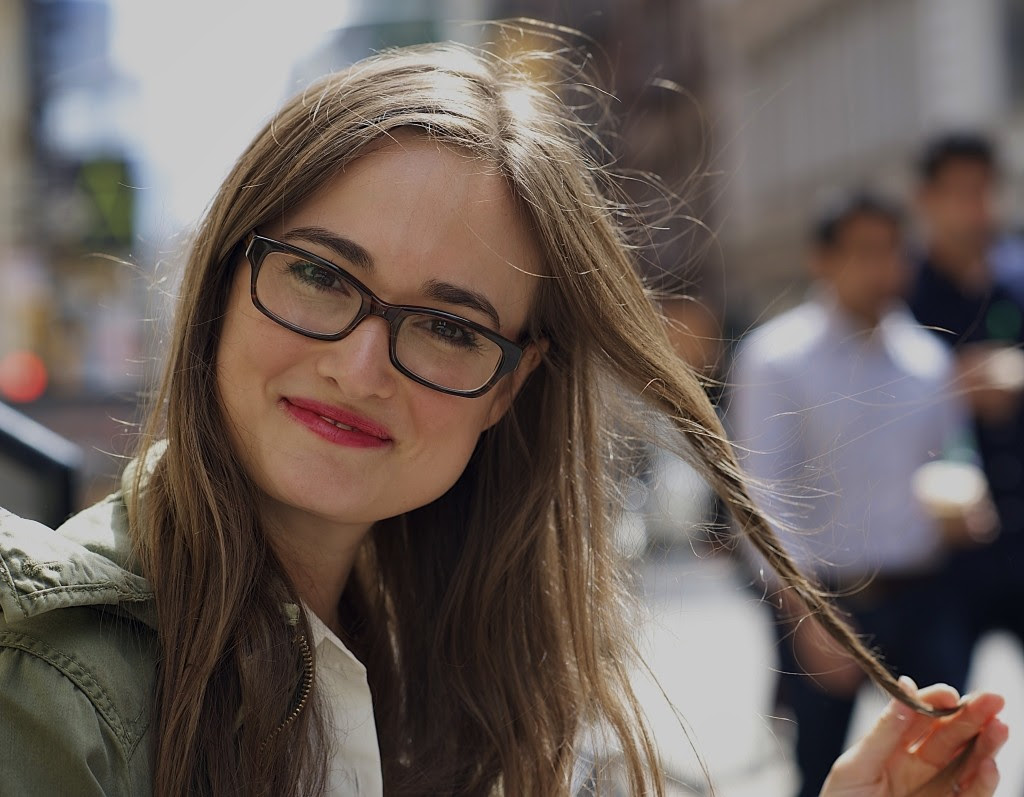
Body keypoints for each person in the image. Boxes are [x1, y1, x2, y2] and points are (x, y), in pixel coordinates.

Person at [0, 40, 1007, 796]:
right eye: (318, 274)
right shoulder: (51, 683)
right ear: (224, 279)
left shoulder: (471, 676)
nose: (360, 366)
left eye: (447, 325)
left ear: (508, 387)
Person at [730, 190, 997, 797]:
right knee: (828, 772)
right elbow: (761, 495)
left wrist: (966, 499)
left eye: (892, 252)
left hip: (925, 591)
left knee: (948, 763)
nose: (884, 269)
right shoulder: (777, 358)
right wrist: (807, 614)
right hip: (829, 598)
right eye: (865, 252)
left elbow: (954, 454)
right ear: (822, 260)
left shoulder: (926, 357)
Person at [908, 132, 1024, 677]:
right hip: (939, 552)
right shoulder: (900, 292)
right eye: (958, 193)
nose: (974, 208)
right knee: (944, 722)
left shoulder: (1016, 277)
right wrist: (952, 388)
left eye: (982, 191)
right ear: (925, 199)